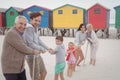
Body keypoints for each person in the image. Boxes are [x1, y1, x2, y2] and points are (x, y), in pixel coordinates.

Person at [1, 15, 40, 80]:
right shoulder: (12, 33)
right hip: (11, 70)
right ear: (15, 24)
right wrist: (33, 51)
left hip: (20, 69)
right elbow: (23, 48)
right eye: (21, 24)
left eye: (25, 25)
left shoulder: (20, 33)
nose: (23, 26)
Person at [22, 12, 52, 80]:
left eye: (39, 21)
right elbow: (30, 43)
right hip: (31, 56)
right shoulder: (29, 28)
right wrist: (41, 49)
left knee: (44, 72)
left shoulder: (35, 27)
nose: (37, 22)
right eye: (36, 20)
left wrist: (47, 48)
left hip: (37, 55)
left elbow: (39, 40)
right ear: (31, 20)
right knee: (35, 77)